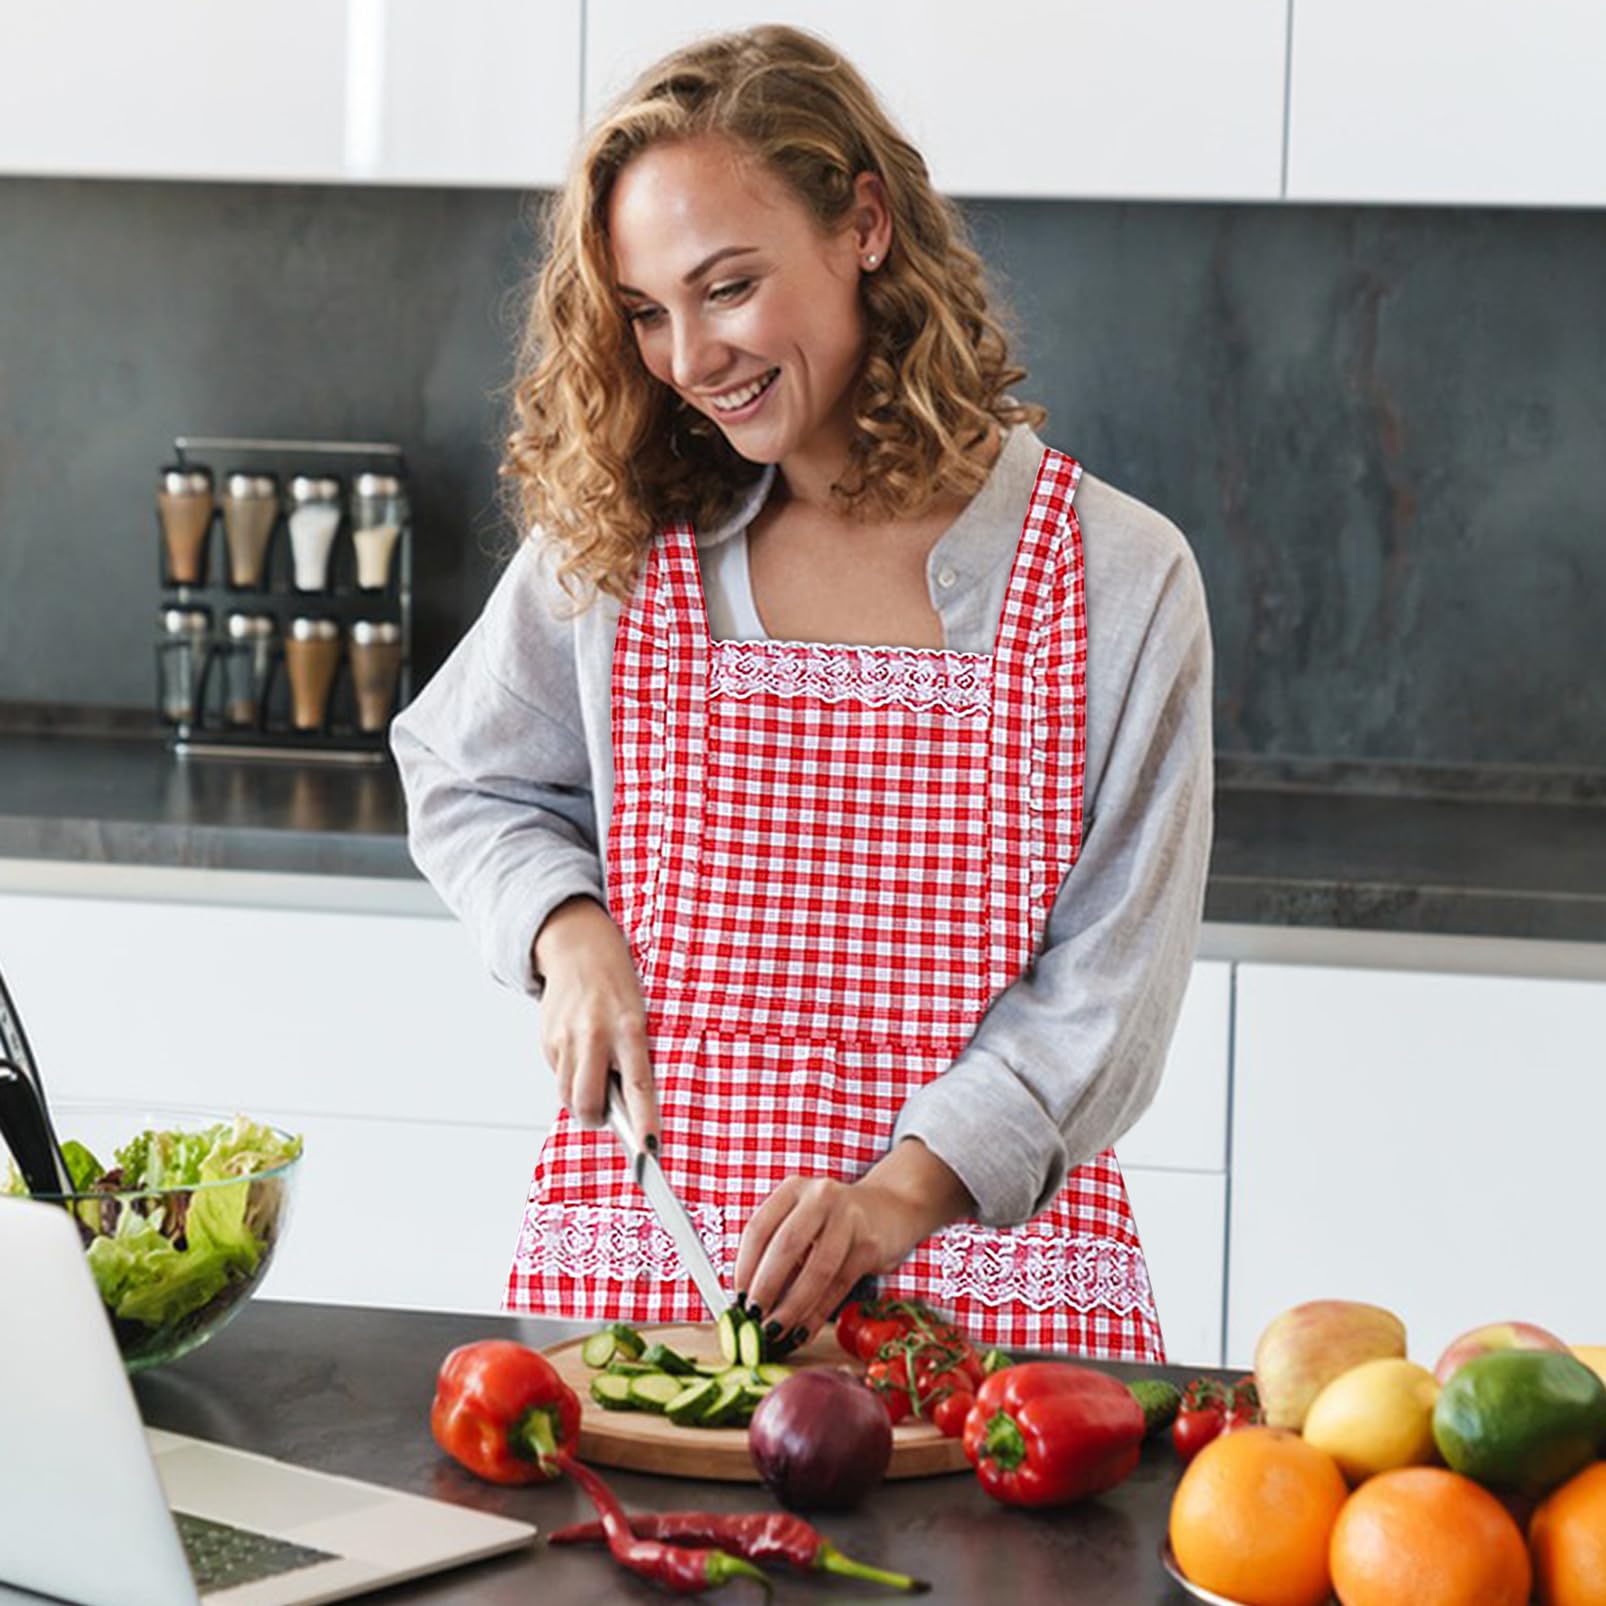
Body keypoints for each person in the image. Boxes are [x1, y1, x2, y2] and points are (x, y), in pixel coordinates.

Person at [391, 24, 1212, 1361]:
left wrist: (896, 1199)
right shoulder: (622, 544)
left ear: (865, 226)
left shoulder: (1112, 577)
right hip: (652, 1290)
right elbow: (462, 771)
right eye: (646, 311)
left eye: (725, 287)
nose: (688, 357)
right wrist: (566, 926)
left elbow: (1107, 999)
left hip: (983, 1313)